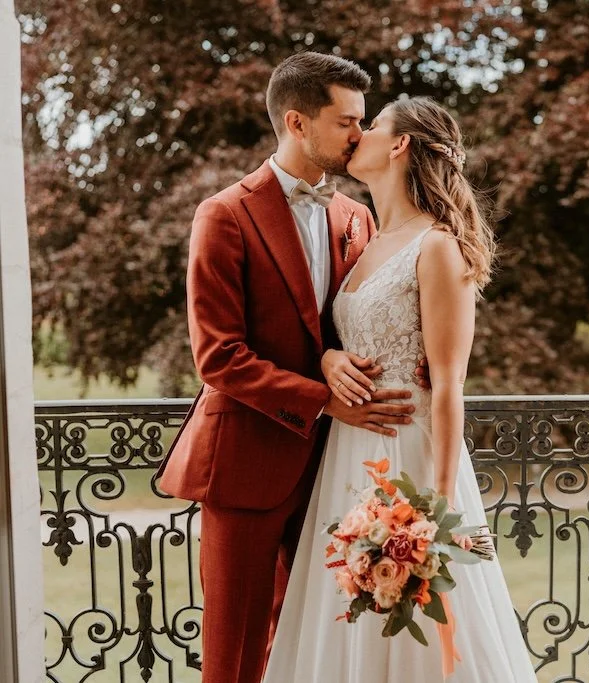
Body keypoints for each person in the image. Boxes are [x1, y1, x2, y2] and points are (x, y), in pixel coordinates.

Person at [157, 52, 424, 683]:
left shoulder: (356, 217)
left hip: (339, 469)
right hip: (247, 465)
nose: (359, 135)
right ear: (298, 123)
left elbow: (346, 321)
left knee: (325, 644)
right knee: (237, 651)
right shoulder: (224, 214)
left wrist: (338, 355)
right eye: (346, 121)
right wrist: (322, 396)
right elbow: (218, 356)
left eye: (362, 121)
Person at [261, 97, 537, 682]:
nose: (357, 133)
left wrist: (437, 509)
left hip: (409, 451)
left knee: (420, 613)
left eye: (372, 124)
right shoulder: (367, 240)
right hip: (348, 451)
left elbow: (449, 384)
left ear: (400, 144)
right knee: (348, 611)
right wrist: (329, 357)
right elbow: (336, 332)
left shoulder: (436, 246)